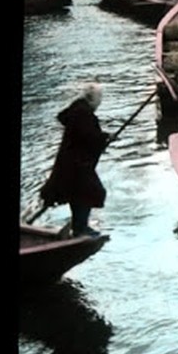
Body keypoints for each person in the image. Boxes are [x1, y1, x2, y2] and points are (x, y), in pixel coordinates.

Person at [39, 82, 110, 238]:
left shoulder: (77, 110)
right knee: (89, 191)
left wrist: (100, 138)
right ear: (93, 99)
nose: (100, 101)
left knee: (77, 193)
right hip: (77, 164)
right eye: (100, 98)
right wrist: (104, 138)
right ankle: (80, 228)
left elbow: (78, 131)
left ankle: (79, 226)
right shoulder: (84, 114)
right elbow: (88, 137)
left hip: (71, 162)